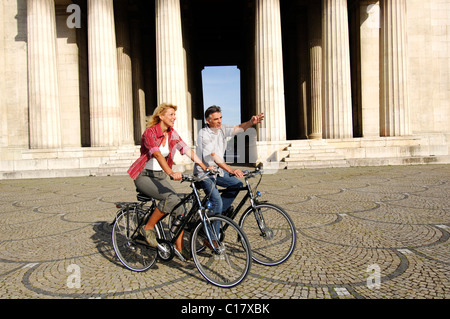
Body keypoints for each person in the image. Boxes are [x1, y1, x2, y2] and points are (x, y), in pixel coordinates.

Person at [127, 103, 211, 261]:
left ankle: (179, 248)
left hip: (159, 176)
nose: (174, 117)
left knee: (179, 207)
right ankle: (148, 227)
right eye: (171, 114)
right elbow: (158, 155)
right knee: (171, 199)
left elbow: (186, 149)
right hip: (144, 175)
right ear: (161, 116)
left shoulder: (171, 133)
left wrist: (202, 165)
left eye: (174, 114)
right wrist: (171, 172)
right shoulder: (149, 133)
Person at [194, 105, 264, 235]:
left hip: (218, 172)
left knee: (237, 185)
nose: (219, 121)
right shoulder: (203, 134)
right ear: (208, 121)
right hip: (205, 173)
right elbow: (213, 156)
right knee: (216, 202)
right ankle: (212, 236)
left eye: (220, 117)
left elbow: (239, 128)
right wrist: (231, 170)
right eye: (216, 119)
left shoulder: (222, 129)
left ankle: (215, 215)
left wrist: (250, 122)